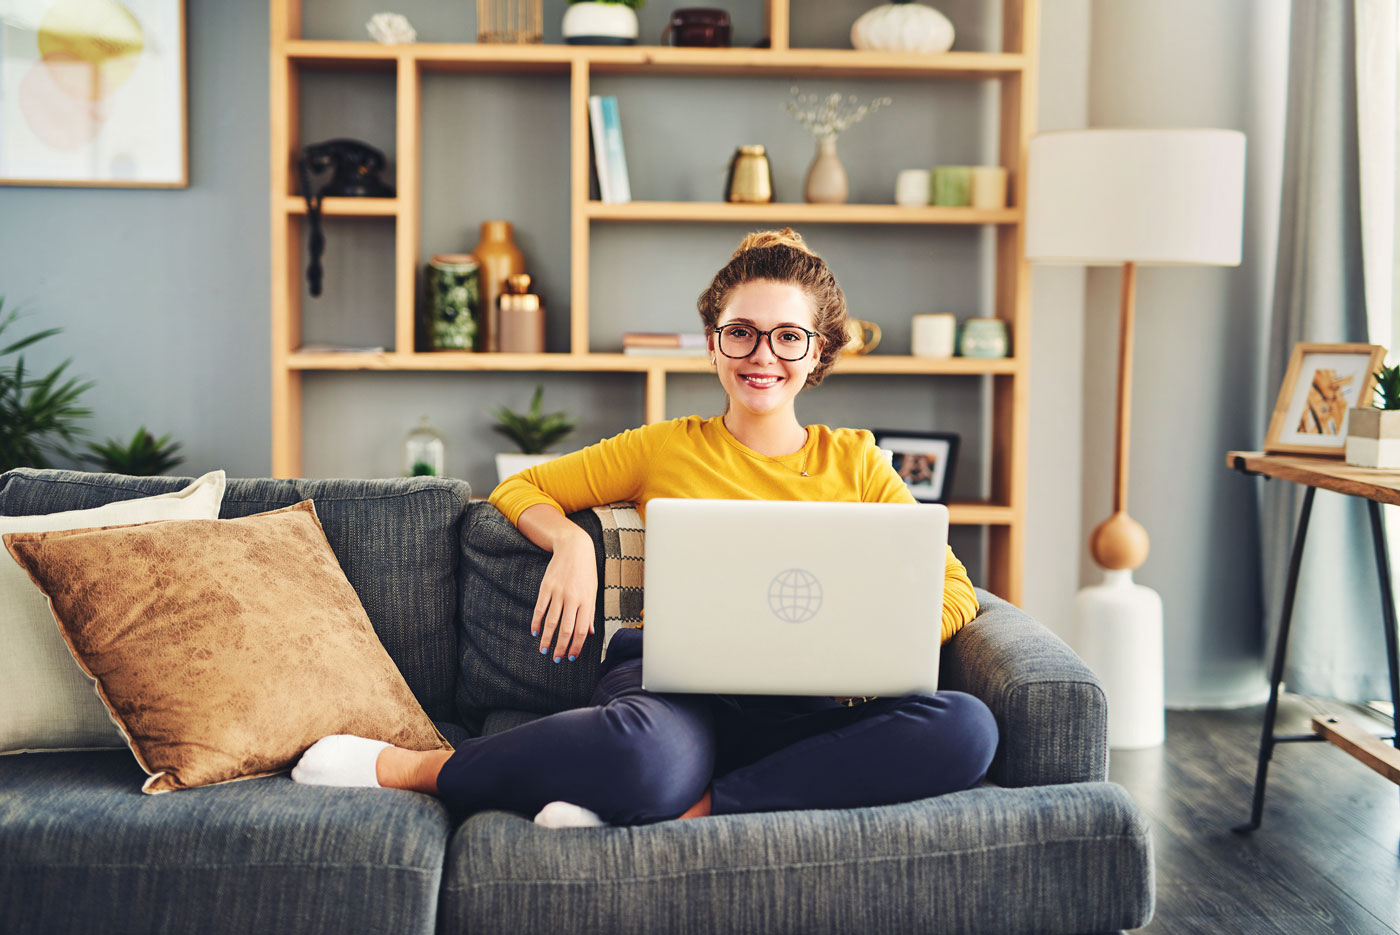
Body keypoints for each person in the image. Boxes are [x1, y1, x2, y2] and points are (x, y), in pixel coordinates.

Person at [292, 228, 999, 828]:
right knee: (640, 753)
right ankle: (416, 766)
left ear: (818, 352)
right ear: (714, 343)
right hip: (674, 690)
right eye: (741, 333)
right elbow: (521, 485)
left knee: (968, 728)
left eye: (788, 337)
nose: (763, 355)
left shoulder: (858, 460)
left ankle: (697, 804)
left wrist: (870, 643)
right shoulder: (665, 445)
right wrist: (570, 540)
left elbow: (954, 584)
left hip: (808, 702)